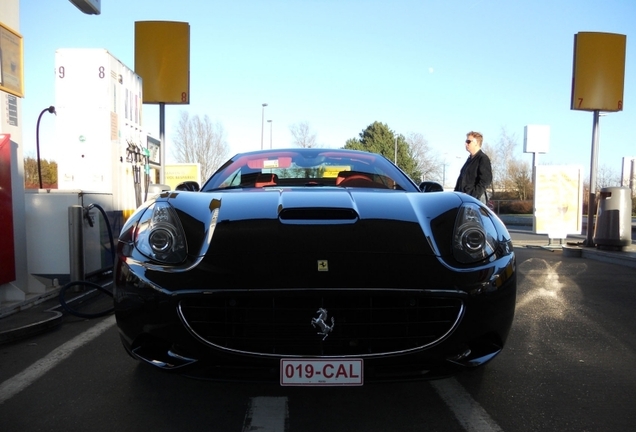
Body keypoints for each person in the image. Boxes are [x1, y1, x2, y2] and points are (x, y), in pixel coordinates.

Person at [454, 131, 492, 204]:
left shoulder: (483, 159)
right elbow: (461, 179)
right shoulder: (469, 160)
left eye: (468, 141)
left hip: (475, 200)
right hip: (463, 199)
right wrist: (456, 195)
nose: (465, 144)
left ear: (476, 143)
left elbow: (485, 181)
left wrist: (472, 195)